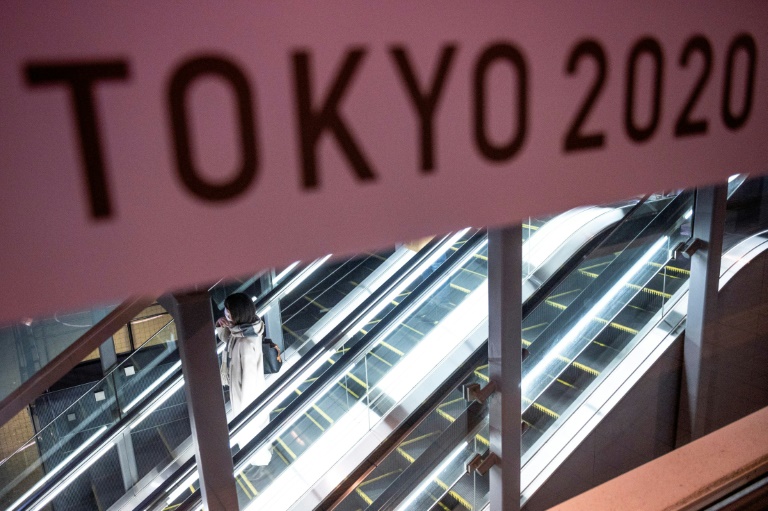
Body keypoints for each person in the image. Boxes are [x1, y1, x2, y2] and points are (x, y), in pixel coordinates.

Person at [216, 292, 274, 469]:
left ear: (238, 314)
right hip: (243, 394)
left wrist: (243, 414)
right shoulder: (244, 330)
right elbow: (230, 341)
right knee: (250, 432)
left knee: (249, 432)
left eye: (229, 314)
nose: (226, 315)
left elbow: (249, 382)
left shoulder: (246, 342)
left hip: (247, 400)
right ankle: (255, 455)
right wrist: (223, 327)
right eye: (226, 312)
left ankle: (258, 458)